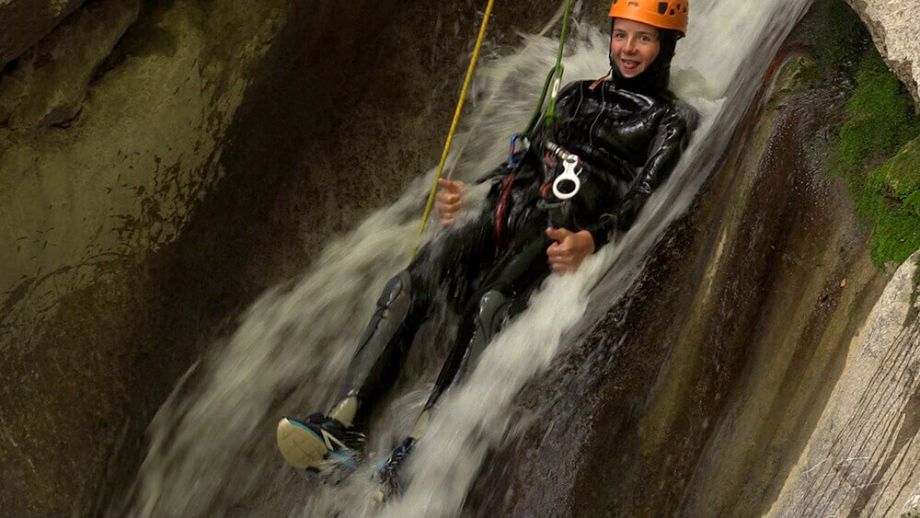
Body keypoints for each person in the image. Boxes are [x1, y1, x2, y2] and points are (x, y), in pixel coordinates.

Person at [276, 0, 697, 494]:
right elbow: (520, 162)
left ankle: (418, 449)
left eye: (643, 39)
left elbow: (646, 194)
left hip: (557, 229)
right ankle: (342, 427)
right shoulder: (575, 95)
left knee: (489, 305)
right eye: (622, 35)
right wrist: (472, 193)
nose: (627, 49)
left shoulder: (671, 119)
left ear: (666, 45)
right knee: (411, 283)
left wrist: (592, 238)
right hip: (510, 210)